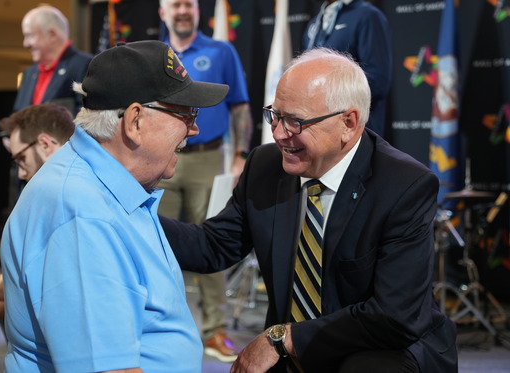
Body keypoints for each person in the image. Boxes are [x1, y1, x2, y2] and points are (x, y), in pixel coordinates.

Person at [160, 47, 458, 372]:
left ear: (349, 122)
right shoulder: (265, 165)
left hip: (383, 347)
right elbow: (212, 246)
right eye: (274, 115)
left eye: (294, 122)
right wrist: (132, 212)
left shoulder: (404, 185)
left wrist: (283, 339)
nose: (277, 133)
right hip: (293, 350)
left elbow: (393, 316)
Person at [0, 40, 229, 372]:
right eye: (185, 113)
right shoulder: (83, 213)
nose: (193, 129)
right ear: (135, 120)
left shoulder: (105, 184)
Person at [158, 0, 253, 362]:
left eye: (189, 4)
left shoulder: (221, 50)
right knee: (157, 242)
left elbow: (240, 106)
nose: (182, 10)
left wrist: (241, 155)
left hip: (208, 159)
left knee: (212, 240)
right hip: (161, 155)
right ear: (162, 12)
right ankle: (163, 326)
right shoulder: (156, 54)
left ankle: (214, 331)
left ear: (199, 11)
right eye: (175, 4)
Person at [0, 103, 75, 332]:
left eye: (20, 158)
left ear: (45, 144)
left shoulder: (73, 200)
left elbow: (51, 287)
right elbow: (38, 298)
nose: (20, 172)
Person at [302, 0, 392, 137]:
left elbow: (377, 81)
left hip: (354, 134)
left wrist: (323, 97)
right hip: (316, 133)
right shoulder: (314, 24)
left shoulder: (367, 16)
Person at [14, 5, 92, 116]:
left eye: (30, 36)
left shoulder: (85, 65)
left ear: (52, 35)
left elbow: (87, 116)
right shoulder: (29, 74)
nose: (25, 44)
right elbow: (17, 114)